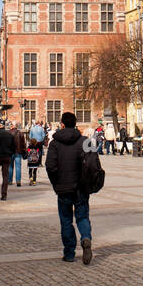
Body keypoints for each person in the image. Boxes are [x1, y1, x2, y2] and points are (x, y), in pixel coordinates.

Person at [45, 112, 96, 264]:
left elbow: (50, 166)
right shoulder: (85, 141)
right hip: (81, 187)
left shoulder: (54, 143)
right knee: (82, 216)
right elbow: (94, 162)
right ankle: (86, 238)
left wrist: (56, 183)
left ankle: (69, 253)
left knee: (66, 220)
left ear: (61, 124)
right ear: (76, 124)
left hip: (63, 188)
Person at [11, 121, 28, 188]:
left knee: (10, 167)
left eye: (11, 124)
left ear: (12, 125)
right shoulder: (20, 133)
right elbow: (23, 144)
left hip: (11, 152)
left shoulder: (8, 133)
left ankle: (10, 181)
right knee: (18, 167)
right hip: (18, 152)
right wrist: (24, 151)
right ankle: (18, 181)